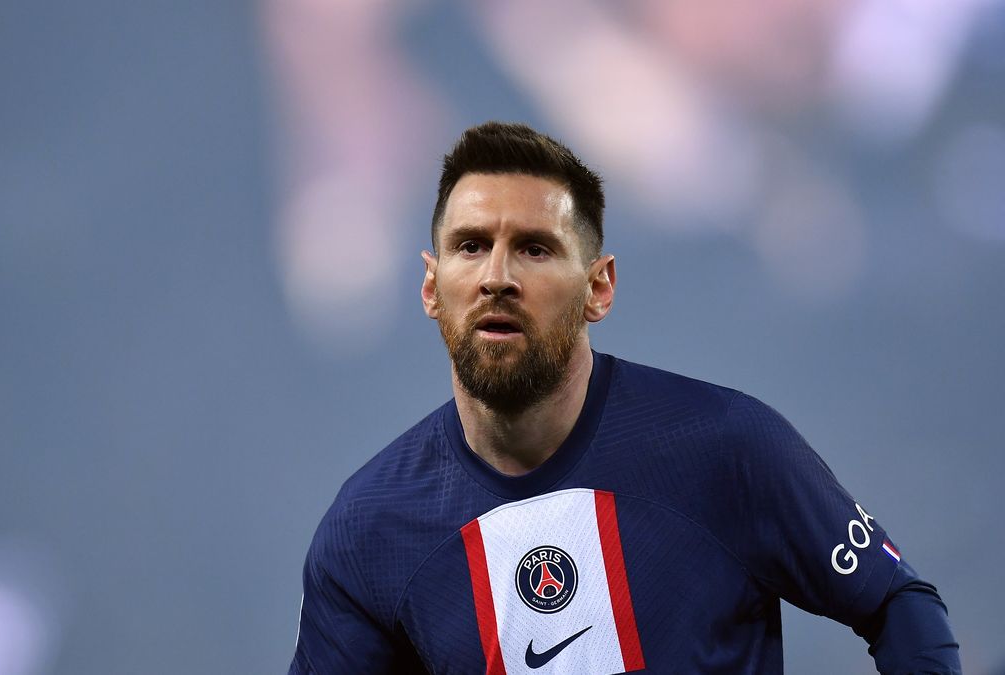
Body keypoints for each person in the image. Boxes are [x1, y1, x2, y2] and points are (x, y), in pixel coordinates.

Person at [288, 122, 959, 674]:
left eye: (534, 249)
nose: (497, 276)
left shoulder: (725, 445)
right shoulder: (368, 531)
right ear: (433, 287)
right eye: (470, 246)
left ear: (598, 288)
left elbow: (898, 603)